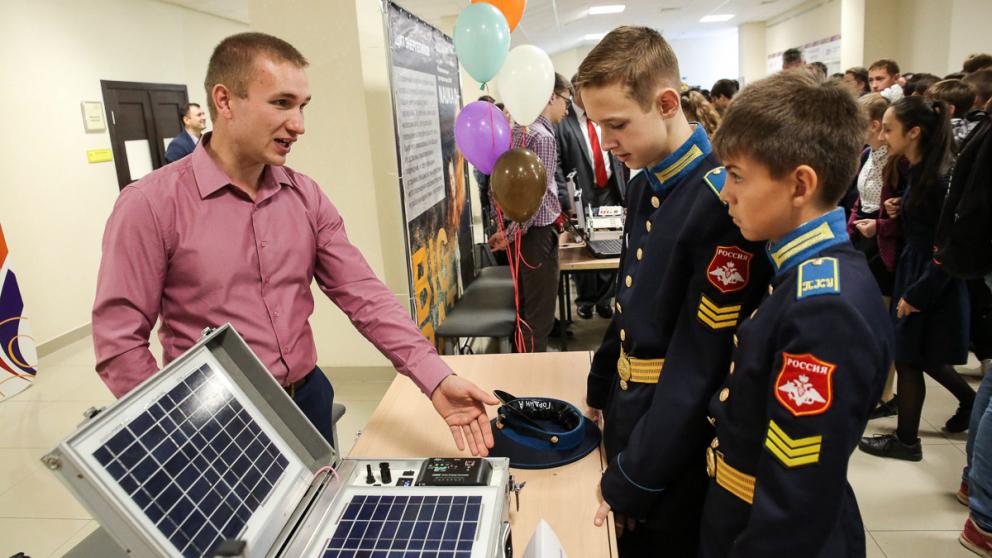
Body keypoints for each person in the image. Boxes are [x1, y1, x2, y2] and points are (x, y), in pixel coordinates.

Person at [92, 32, 498, 455]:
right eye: (282, 103)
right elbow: (119, 341)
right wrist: (168, 430)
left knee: (317, 518)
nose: (299, 125)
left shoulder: (305, 196)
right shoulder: (150, 205)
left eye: (303, 107)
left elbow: (365, 296)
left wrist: (434, 376)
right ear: (225, 101)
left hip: (308, 402)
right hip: (212, 424)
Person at [578, 26, 771, 556]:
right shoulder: (645, 182)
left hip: (673, 439)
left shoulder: (720, 202)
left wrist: (635, 480)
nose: (607, 142)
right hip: (630, 405)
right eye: (599, 127)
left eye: (616, 124)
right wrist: (599, 388)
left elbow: (698, 363)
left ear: (666, 103)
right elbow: (628, 305)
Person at [697, 70, 893, 558]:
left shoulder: (824, 306)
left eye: (738, 175)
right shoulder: (794, 269)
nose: (726, 193)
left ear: (800, 184)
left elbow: (796, 496)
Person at [858, 96, 976, 461]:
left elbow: (946, 245)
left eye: (891, 129)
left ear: (914, 132)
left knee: (911, 358)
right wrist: (897, 210)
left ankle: (907, 441)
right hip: (919, 271)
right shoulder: (920, 171)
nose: (884, 135)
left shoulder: (937, 180)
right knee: (920, 357)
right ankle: (968, 402)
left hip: (929, 277)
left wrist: (918, 294)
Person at [488, 73, 572, 352]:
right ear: (551, 97)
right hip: (535, 235)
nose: (567, 109)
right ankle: (533, 375)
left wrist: (506, 232)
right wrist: (512, 233)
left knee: (524, 308)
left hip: (522, 234)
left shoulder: (517, 130)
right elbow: (535, 200)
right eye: (566, 101)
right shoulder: (543, 137)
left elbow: (499, 185)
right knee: (539, 313)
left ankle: (522, 364)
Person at [554, 78, 627, 320]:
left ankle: (605, 299)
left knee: (610, 242)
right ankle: (586, 301)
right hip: (582, 194)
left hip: (608, 189)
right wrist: (566, 200)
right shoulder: (564, 122)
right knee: (584, 247)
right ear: (578, 92)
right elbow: (558, 164)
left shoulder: (601, 116)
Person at [926, 79, 980, 149]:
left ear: (950, 110)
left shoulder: (944, 133)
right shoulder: (972, 128)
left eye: (931, 105)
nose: (926, 108)